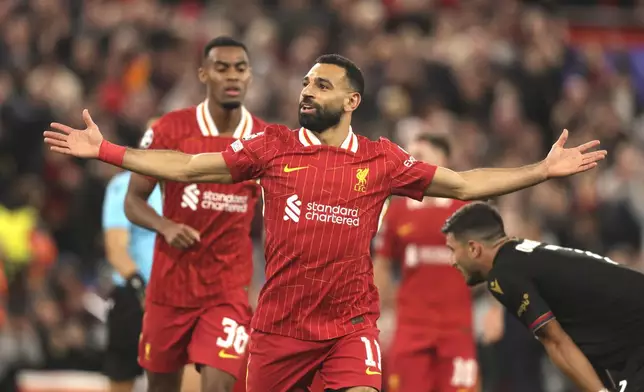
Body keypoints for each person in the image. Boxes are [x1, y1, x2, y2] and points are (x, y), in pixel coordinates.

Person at [44, 54, 606, 392]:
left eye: (322, 86)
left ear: (353, 99)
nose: (306, 92)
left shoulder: (382, 159)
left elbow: (462, 183)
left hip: (349, 328)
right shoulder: (271, 147)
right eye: (306, 84)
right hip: (278, 331)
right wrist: (108, 151)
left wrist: (542, 170)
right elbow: (189, 165)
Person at [125, 36, 265, 392]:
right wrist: (165, 225)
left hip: (227, 291)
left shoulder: (265, 140)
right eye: (222, 68)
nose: (232, 76)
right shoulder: (170, 129)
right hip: (170, 288)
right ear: (204, 74)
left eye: (240, 68)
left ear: (250, 76)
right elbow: (133, 200)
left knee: (219, 385)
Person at [441, 202, 644, 392]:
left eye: (452, 250)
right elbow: (580, 344)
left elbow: (556, 341)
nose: (452, 261)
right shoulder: (527, 258)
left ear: (473, 248)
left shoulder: (503, 275)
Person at [373, 134, 477, 392]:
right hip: (411, 328)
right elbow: (381, 266)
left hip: (456, 329)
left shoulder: (467, 210)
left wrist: (496, 307)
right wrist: (382, 311)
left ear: (442, 161)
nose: (411, 164)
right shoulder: (397, 212)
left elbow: (488, 264)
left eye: (419, 157)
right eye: (408, 158)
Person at [101, 126, 162, 392]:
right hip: (134, 297)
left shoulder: (185, 189)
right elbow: (116, 250)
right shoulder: (123, 185)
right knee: (122, 377)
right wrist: (142, 290)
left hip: (174, 297)